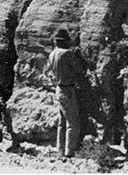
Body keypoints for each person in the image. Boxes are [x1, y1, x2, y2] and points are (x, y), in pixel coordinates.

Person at [47, 29, 82, 158]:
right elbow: (79, 69)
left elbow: (48, 71)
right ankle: (70, 151)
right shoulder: (67, 54)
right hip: (68, 89)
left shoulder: (52, 54)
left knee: (62, 122)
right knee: (73, 122)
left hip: (58, 89)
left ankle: (60, 150)